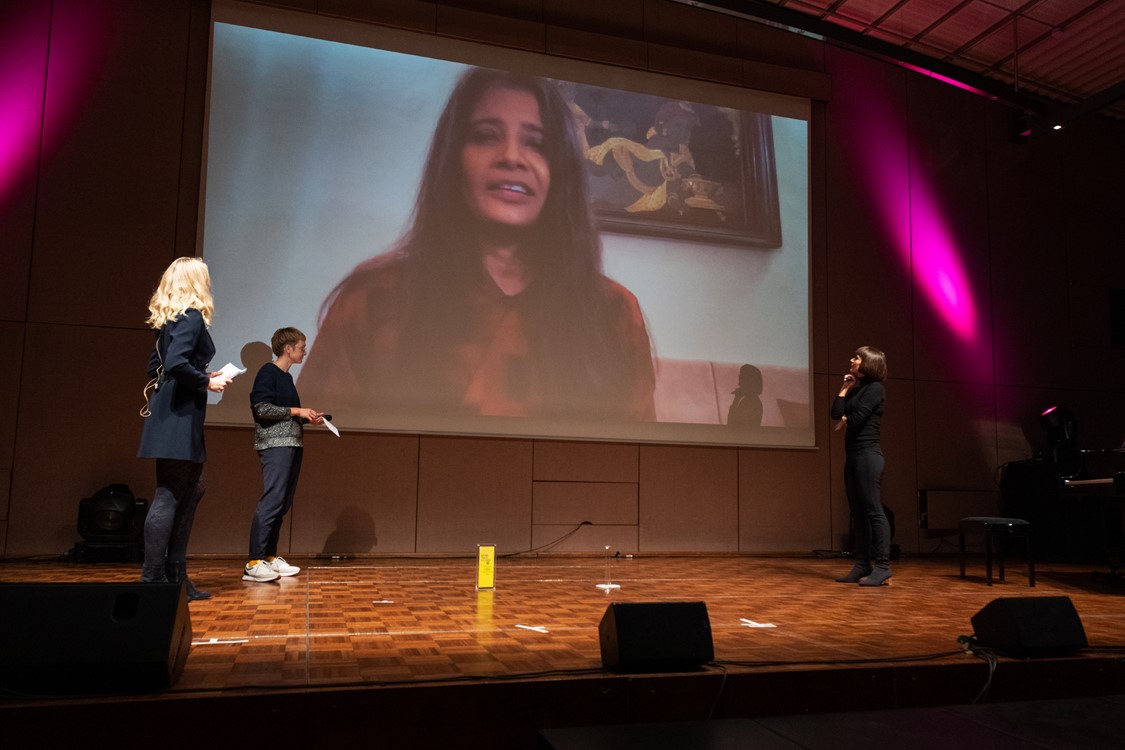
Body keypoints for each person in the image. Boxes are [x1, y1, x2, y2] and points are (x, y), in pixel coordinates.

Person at [299, 67, 655, 422]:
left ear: (560, 171)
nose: (512, 157)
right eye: (486, 137)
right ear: (453, 158)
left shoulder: (612, 314)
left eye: (537, 144)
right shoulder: (376, 297)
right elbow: (314, 450)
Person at [137, 257, 230, 600]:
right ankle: (154, 578)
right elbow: (175, 363)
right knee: (171, 492)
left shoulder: (171, 320)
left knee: (191, 488)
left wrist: (199, 377)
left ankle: (174, 576)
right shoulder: (190, 316)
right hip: (178, 414)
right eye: (205, 278)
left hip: (172, 411)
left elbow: (154, 366)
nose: (209, 284)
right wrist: (207, 380)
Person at [243, 327, 324, 583]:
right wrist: (297, 412)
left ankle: (269, 557)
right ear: (287, 348)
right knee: (273, 499)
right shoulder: (269, 372)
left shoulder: (286, 378)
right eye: (301, 347)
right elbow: (262, 408)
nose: (304, 351)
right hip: (275, 444)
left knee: (283, 501)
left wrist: (306, 417)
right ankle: (254, 561)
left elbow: (284, 411)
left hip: (292, 443)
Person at [831, 346, 892, 586]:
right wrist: (845, 388)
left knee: (873, 510)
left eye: (856, 357)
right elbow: (836, 413)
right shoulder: (857, 390)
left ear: (868, 363)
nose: (851, 359)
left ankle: (884, 566)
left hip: (868, 456)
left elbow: (854, 421)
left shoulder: (876, 389)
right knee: (857, 512)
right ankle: (862, 563)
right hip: (854, 456)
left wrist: (847, 418)